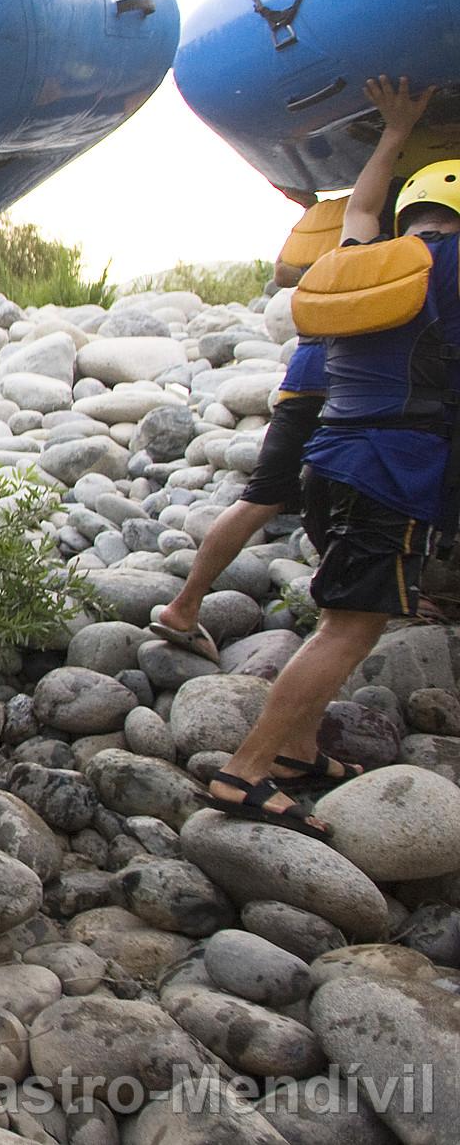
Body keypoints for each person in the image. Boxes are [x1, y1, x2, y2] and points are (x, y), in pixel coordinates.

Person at [206, 77, 460, 838]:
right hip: (392, 470)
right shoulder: (451, 269)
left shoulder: (368, 256)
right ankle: (245, 770)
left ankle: (297, 752)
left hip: (333, 461)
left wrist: (394, 128)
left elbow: (354, 207)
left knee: (342, 613)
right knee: (349, 626)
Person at [149, 199, 346, 658]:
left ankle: (184, 605)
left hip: (303, 379)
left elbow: (284, 274)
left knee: (261, 496)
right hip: (358, 386)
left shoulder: (334, 212)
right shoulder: (399, 217)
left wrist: (311, 210)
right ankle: (345, 614)